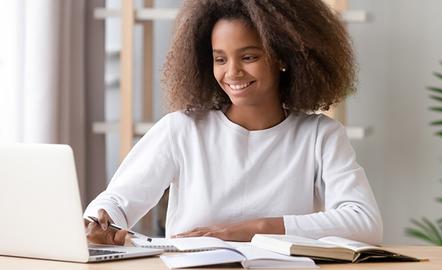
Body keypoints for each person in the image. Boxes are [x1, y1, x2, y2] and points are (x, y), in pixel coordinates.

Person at [84, 0, 383, 246]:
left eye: (249, 57)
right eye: (220, 59)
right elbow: (116, 203)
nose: (233, 72)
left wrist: (254, 228)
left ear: (283, 57)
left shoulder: (320, 135)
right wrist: (100, 223)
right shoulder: (182, 129)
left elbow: (364, 222)